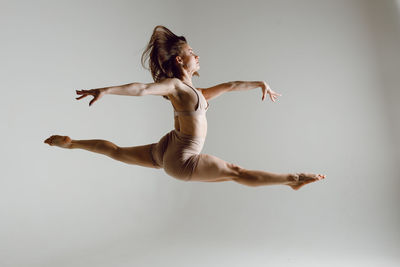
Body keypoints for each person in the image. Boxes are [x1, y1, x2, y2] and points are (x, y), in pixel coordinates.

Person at [44, 25, 326, 190]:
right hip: (182, 158)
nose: (197, 55)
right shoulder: (176, 87)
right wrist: (106, 90)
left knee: (116, 151)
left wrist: (258, 83)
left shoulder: (194, 92)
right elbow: (141, 89)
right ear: (179, 60)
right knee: (235, 172)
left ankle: (71, 144)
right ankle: (293, 179)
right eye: (191, 53)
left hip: (168, 147)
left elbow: (229, 85)